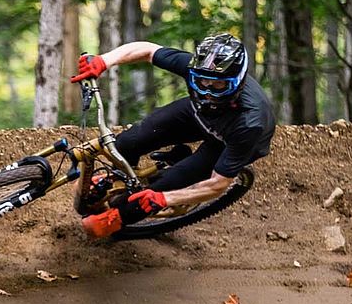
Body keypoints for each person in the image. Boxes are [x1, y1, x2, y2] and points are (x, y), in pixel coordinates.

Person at [70, 33, 275, 238]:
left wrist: (165, 199)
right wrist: (103, 61)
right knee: (127, 142)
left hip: (228, 140)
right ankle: (118, 178)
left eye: (219, 85)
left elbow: (218, 184)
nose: (207, 91)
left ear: (238, 81)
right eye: (201, 81)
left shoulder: (251, 123)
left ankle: (119, 218)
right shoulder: (198, 68)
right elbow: (148, 51)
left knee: (151, 196)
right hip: (197, 114)